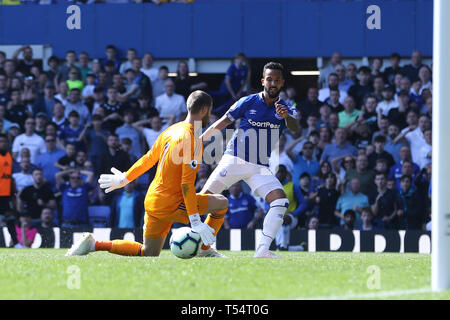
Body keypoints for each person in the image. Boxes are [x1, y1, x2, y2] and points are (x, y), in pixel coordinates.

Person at [66, 90, 228, 258]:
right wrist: (195, 221)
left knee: (148, 252)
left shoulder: (170, 131)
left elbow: (149, 158)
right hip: (172, 203)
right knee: (221, 203)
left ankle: (94, 244)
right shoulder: (192, 138)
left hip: (153, 200)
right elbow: (186, 184)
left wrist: (124, 178)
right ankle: (204, 248)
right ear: (204, 110)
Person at [200, 62, 300, 258]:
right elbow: (223, 122)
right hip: (234, 159)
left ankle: (262, 250)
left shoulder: (288, 107)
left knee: (280, 201)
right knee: (203, 199)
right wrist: (199, 141)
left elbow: (296, 128)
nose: (273, 83)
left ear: (282, 83)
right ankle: (199, 245)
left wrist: (287, 116)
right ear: (263, 81)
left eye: (277, 80)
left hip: (259, 167)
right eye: (269, 79)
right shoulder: (248, 101)